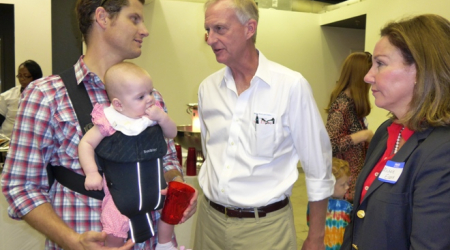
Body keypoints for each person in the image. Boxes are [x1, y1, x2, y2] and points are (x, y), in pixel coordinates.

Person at [1, 1, 197, 250]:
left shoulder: (151, 97)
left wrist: (177, 186)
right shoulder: (46, 95)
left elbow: (167, 162)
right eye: (135, 19)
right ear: (102, 18)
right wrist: (72, 241)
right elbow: (21, 186)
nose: (145, 30)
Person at [195, 0, 335, 249]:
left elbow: (318, 167)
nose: (210, 39)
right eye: (208, 30)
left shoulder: (291, 86)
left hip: (265, 230)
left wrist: (316, 236)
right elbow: (211, 154)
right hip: (210, 224)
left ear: (250, 28)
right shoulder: (208, 89)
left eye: (219, 28)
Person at [342, 14, 450, 250]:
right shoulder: (386, 132)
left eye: (380, 64)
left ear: (421, 71)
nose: (367, 76)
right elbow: (361, 219)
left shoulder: (443, 150)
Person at [78, 62, 178, 249]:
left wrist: (163, 118)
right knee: (115, 225)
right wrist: (91, 172)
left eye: (150, 92)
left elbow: (172, 133)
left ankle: (165, 243)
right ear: (118, 104)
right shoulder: (109, 121)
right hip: (120, 193)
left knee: (171, 205)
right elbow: (86, 143)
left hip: (155, 187)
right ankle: (112, 247)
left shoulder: (152, 119)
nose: (149, 99)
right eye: (140, 96)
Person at [325, 52, 373, 203]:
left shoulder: (352, 104)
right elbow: (330, 144)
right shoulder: (342, 105)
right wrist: (362, 135)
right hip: (345, 190)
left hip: (354, 184)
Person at [307, 157, 352, 250]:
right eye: (343, 185)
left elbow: (309, 223)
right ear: (329, 186)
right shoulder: (346, 207)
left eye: (347, 183)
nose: (347, 187)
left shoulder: (312, 205)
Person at [0, 60, 42, 139]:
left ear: (36, 77)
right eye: (19, 76)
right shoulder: (8, 96)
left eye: (26, 76)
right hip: (7, 141)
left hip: (32, 140)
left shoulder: (44, 95)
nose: (22, 79)